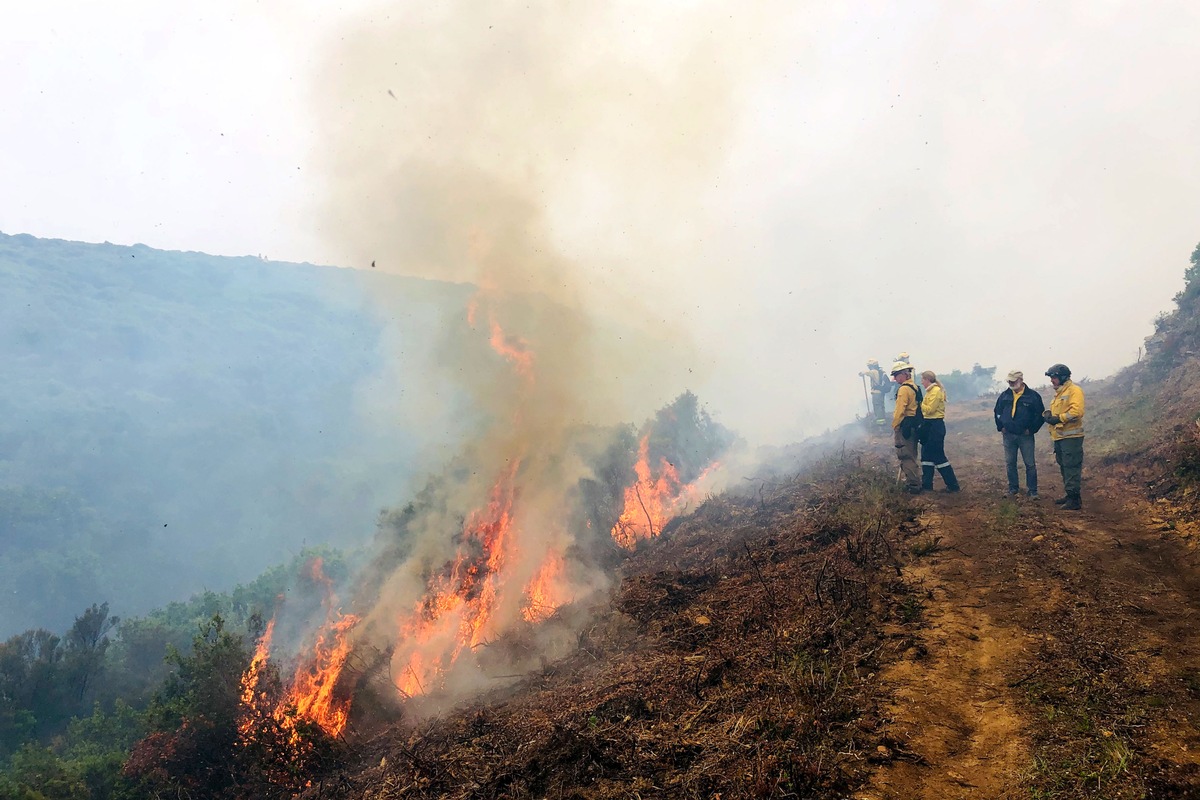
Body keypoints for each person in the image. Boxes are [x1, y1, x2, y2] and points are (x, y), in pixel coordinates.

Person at [994, 370, 1045, 498]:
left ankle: (1032, 491)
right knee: (1010, 463)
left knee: (1030, 464)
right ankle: (1013, 488)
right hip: (1008, 435)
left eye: (1013, 380)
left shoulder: (1033, 396)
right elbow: (997, 412)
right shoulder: (1004, 396)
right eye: (1009, 381)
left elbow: (1040, 415)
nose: (1011, 383)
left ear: (1021, 380)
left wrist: (1032, 429)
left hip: (1025, 436)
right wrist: (1001, 427)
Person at [1043, 364, 1085, 510]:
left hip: (1071, 438)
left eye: (1053, 377)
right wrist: (1049, 416)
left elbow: (1076, 412)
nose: (1052, 381)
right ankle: (1070, 494)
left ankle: (1074, 500)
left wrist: (1058, 418)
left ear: (1062, 377)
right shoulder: (1060, 392)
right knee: (1065, 466)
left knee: (1071, 467)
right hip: (1060, 437)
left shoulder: (1074, 391)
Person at [918, 370, 960, 492]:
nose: (922, 382)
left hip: (935, 425)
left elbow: (929, 410)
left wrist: (920, 403)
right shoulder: (929, 392)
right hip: (928, 424)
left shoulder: (935, 392)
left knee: (938, 455)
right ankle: (927, 485)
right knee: (926, 455)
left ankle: (953, 486)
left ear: (928, 380)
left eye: (923, 380)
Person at [890, 360, 922, 494]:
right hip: (915, 425)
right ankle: (915, 480)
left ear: (903, 374)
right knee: (912, 454)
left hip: (906, 426)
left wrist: (895, 425)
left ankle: (913, 485)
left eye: (897, 375)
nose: (895, 378)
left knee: (905, 455)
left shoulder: (903, 389)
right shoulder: (915, 387)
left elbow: (899, 410)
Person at [858, 359, 889, 424]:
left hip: (876, 392)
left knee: (877, 405)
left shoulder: (874, 372)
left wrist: (861, 373)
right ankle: (883, 418)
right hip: (881, 391)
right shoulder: (880, 371)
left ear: (872, 366)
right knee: (881, 405)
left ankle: (880, 421)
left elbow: (865, 372)